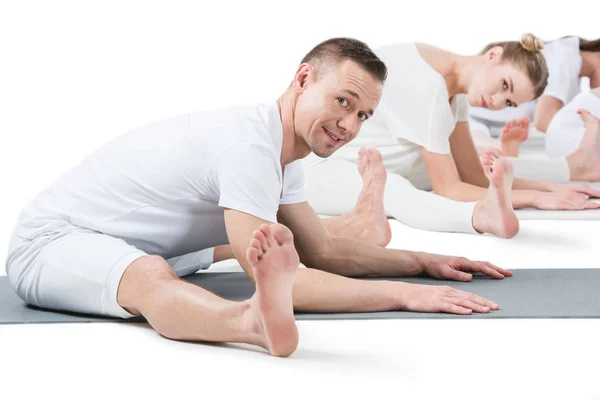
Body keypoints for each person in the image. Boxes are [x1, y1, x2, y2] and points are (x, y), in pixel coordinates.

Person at [5, 38, 510, 358]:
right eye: (343, 102)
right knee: (152, 275)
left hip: (129, 244)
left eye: (364, 116)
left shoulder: (282, 151)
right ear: (303, 78)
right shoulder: (249, 143)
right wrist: (403, 296)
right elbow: (284, 280)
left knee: (266, 242)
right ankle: (248, 323)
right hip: (52, 245)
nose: (350, 125)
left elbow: (323, 252)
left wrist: (422, 262)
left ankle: (256, 308)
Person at [302, 34, 600, 240]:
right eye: (504, 85)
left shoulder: (452, 89)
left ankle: (575, 168)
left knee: (490, 162)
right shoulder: (429, 85)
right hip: (329, 174)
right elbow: (449, 188)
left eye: (508, 103)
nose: (496, 101)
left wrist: (550, 188)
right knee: (391, 189)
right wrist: (535, 199)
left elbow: (473, 174)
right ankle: (481, 218)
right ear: (493, 56)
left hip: (390, 165)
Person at [468, 36, 600, 157]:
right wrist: (589, 136)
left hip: (485, 124)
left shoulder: (569, 58)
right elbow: (543, 121)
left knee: (484, 145)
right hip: (475, 113)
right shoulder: (566, 58)